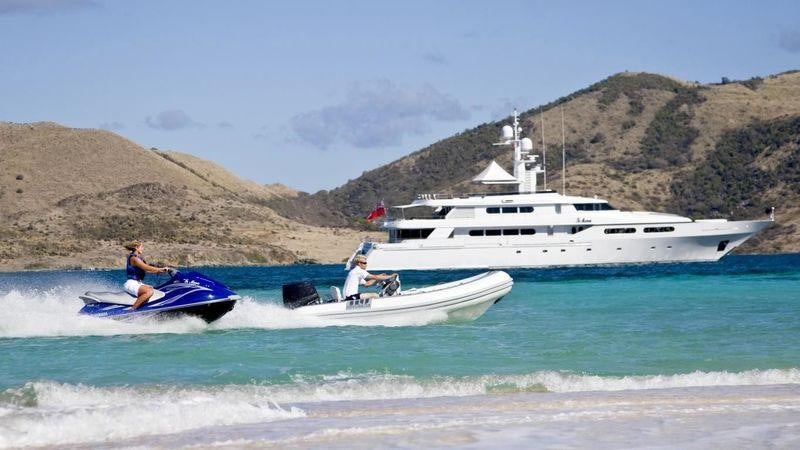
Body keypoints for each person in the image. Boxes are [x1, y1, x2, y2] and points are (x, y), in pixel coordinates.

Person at [123, 241, 171, 310]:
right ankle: (132, 310)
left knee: (153, 288)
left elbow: (146, 270)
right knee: (149, 291)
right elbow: (146, 267)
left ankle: (144, 308)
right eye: (141, 247)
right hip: (131, 283)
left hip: (138, 283)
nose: (143, 248)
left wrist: (158, 271)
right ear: (136, 248)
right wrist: (160, 269)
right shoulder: (134, 258)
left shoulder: (138, 258)